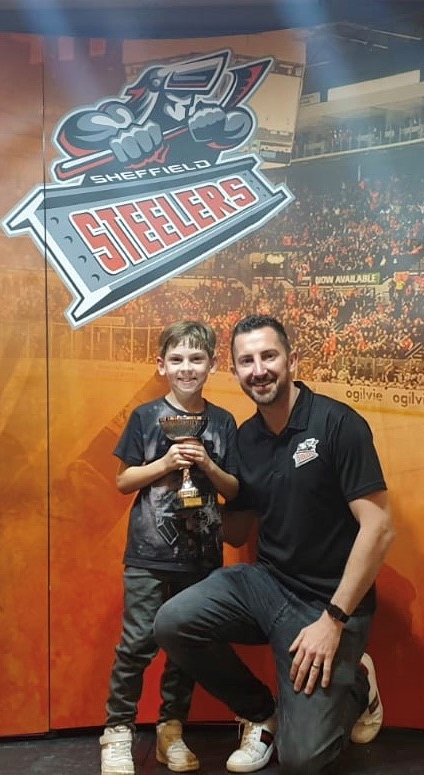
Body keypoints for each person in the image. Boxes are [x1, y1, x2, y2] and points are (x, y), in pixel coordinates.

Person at [154, 314, 395, 774]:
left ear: (291, 360)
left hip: (328, 604)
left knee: (303, 759)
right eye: (247, 361)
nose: (259, 369)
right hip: (268, 585)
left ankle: (358, 682)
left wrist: (333, 620)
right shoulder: (246, 438)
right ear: (236, 371)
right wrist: (196, 492)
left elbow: (379, 528)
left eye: (269, 356)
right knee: (173, 621)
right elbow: (238, 531)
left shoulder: (339, 424)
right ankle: (262, 713)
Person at [100, 321, 239, 775]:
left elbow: (234, 489)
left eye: (196, 359)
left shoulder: (223, 422)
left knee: (185, 647)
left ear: (212, 365)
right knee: (137, 643)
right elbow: (123, 481)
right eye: (177, 359)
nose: (186, 368)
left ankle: (170, 730)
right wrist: (165, 462)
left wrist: (207, 464)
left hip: (201, 557)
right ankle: (118, 732)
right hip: (148, 555)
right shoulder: (144, 417)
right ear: (161, 365)